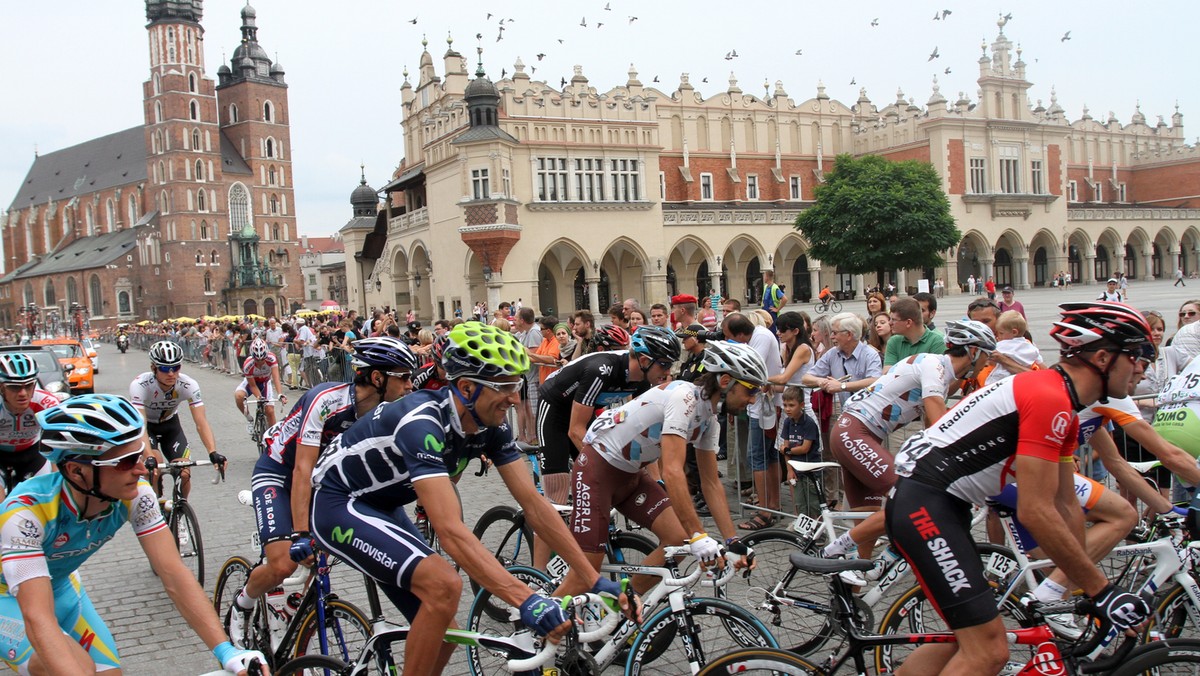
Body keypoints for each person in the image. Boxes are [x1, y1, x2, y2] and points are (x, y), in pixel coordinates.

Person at [309, 323, 633, 673]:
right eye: (505, 387)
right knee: (445, 585)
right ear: (465, 387)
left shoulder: (491, 426)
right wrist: (526, 600)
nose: (514, 397)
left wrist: (592, 578)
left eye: (517, 384)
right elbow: (449, 530)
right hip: (338, 502)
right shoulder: (423, 423)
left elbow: (535, 505)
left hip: (381, 505)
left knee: (443, 627)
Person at [884, 302, 1155, 674]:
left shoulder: (1065, 409)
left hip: (936, 505)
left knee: (971, 637)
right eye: (1138, 354)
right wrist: (1103, 591)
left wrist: (1070, 587)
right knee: (988, 652)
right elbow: (1035, 510)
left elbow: (1065, 507)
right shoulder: (1050, 400)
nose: (1144, 366)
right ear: (1104, 357)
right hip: (927, 507)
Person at [0, 395, 266, 675]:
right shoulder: (25, 515)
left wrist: (227, 652)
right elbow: (37, 617)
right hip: (8, 597)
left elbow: (174, 574)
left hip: (62, 587)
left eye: (139, 455)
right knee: (77, 668)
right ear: (77, 471)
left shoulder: (136, 496)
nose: (141, 469)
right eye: (126, 462)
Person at [225, 338, 419, 647]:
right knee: (282, 564)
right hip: (279, 473)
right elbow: (302, 468)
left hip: (323, 480)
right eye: (404, 376)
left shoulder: (387, 411)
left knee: (324, 550)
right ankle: (243, 603)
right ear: (378, 378)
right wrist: (301, 532)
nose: (411, 385)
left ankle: (294, 608)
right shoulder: (326, 400)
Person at [553, 341, 764, 600]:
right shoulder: (684, 398)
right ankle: (538, 627)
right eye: (750, 389)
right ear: (726, 381)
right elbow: (673, 471)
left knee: (676, 539)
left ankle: (623, 603)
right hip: (597, 471)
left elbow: (711, 483)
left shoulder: (709, 419)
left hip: (630, 475)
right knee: (585, 575)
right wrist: (699, 535)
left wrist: (732, 541)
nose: (753, 399)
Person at [535, 326, 680, 524]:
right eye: (664, 364)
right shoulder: (601, 369)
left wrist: (656, 481)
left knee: (595, 479)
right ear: (645, 361)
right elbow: (576, 430)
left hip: (585, 409)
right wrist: (607, 465)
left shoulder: (644, 379)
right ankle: (543, 544)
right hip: (555, 407)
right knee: (557, 492)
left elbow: (642, 431)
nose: (668, 371)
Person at [130, 341, 222, 500]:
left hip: (171, 426)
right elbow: (141, 425)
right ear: (154, 368)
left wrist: (212, 452)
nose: (171, 373)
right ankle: (155, 505)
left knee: (184, 473)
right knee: (154, 465)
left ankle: (180, 509)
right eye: (165, 369)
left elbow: (201, 422)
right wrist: (148, 456)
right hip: (147, 428)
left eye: (176, 367)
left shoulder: (188, 385)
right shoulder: (140, 385)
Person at [0, 353, 58, 500]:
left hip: (31, 453)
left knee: (47, 496)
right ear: (1, 388)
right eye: (14, 387)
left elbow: (60, 442)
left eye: (28, 386)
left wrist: (58, 481)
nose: (23, 393)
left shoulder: (46, 402)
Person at [882, 297, 945, 373]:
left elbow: (937, 375)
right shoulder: (894, 341)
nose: (889, 323)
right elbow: (887, 374)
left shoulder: (937, 342)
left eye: (894, 320)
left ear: (908, 322)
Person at [235, 337, 286, 429]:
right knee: (238, 396)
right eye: (257, 360)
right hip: (252, 383)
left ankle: (273, 437)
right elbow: (253, 385)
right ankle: (249, 418)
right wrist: (259, 397)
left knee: (269, 411)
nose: (260, 362)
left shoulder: (272, 358)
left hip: (265, 383)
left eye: (263, 359)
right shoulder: (247, 364)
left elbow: (276, 378)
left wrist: (280, 394)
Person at [984, 311, 1043, 385]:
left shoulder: (1003, 344)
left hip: (1001, 378)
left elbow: (990, 356)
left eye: (1001, 333)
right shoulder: (1031, 347)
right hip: (1021, 381)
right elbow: (1040, 362)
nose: (998, 336)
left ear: (1014, 332)